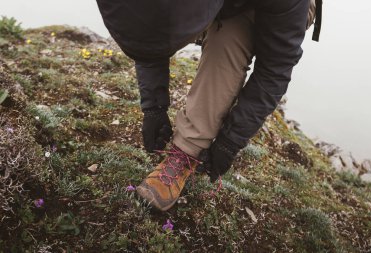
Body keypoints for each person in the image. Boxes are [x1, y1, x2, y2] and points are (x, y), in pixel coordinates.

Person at [96, 0, 321, 211]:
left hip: (279, 10)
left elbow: (275, 69)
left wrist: (231, 140)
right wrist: (153, 105)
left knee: (226, 37)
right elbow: (149, 22)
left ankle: (186, 151)